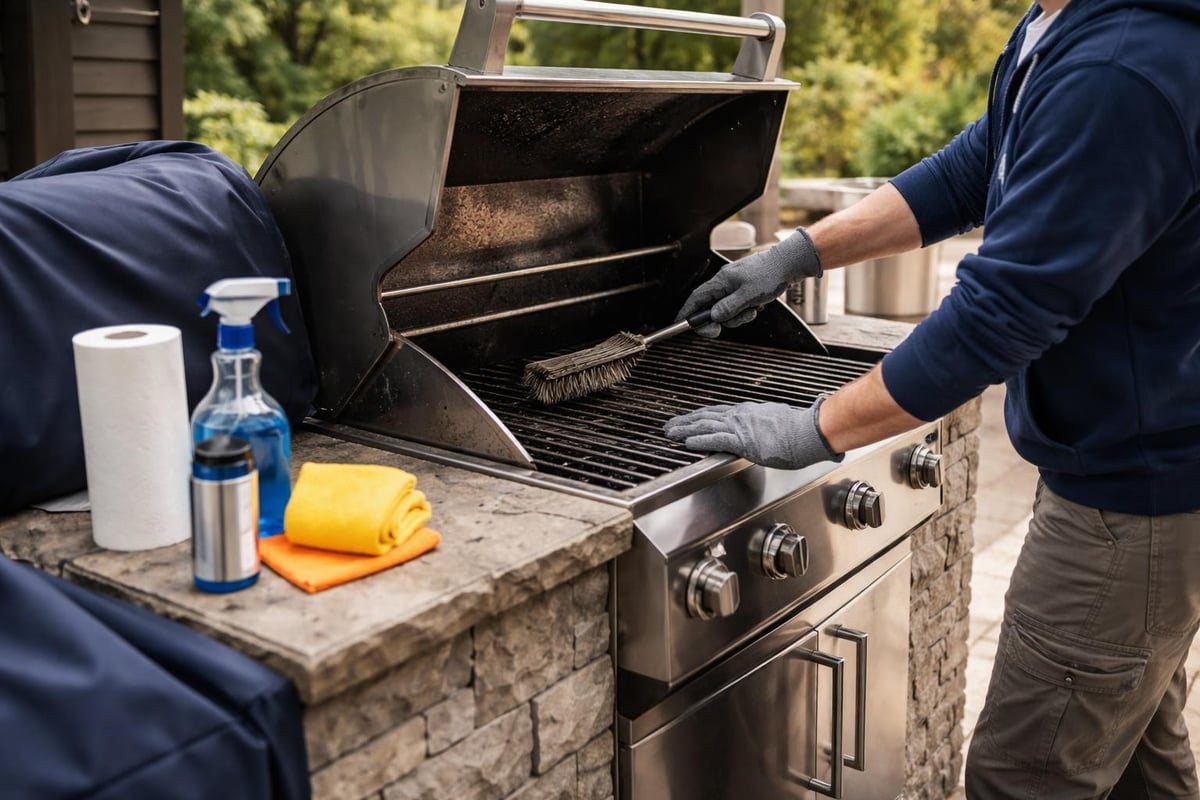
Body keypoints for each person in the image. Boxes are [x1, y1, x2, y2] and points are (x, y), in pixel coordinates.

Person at [664, 0, 1200, 796]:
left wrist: (816, 428)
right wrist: (798, 254)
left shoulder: (1118, 68)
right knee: (1139, 770)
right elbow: (975, 169)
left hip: (1133, 503)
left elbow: (1002, 315)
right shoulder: (1061, 24)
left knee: (1020, 779)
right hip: (1140, 472)